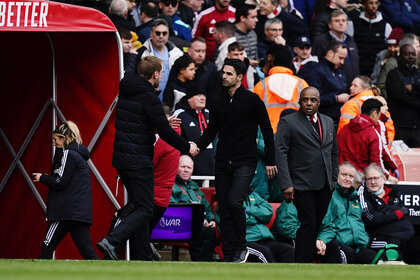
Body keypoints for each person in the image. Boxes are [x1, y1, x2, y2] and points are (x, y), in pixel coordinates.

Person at [96, 56, 198, 261]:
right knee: (145, 208)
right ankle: (112, 240)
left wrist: (161, 120)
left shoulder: (127, 90)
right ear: (155, 74)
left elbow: (141, 122)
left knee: (138, 205)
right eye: (160, 72)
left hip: (122, 159)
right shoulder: (149, 96)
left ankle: (142, 254)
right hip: (138, 159)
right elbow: (165, 132)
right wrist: (187, 146)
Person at [196, 59, 277, 262]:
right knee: (224, 207)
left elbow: (267, 130)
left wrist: (270, 159)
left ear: (240, 78)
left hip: (245, 162)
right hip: (223, 162)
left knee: (234, 202)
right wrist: (196, 146)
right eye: (223, 73)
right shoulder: (217, 99)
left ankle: (242, 247)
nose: (224, 76)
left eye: (229, 74)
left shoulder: (252, 100)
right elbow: (212, 129)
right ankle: (230, 252)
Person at [275, 86, 338, 263]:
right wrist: (286, 183)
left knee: (316, 224)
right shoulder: (288, 122)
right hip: (300, 183)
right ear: (299, 101)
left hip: (325, 183)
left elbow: (333, 152)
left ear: (319, 102)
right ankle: (301, 263)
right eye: (305, 99)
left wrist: (333, 179)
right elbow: (280, 153)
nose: (309, 103)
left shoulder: (328, 121)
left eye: (313, 100)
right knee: (308, 222)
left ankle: (305, 261)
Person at [33, 121, 99, 260]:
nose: (54, 143)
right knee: (87, 251)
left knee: (47, 245)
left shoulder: (68, 154)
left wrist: (43, 177)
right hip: (79, 212)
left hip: (65, 212)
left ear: (63, 138)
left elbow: (59, 181)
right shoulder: (79, 155)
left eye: (55, 139)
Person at [315, 162, 377, 264]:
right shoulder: (329, 195)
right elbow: (326, 224)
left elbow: (360, 221)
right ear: (336, 175)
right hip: (338, 244)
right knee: (347, 254)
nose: (347, 179)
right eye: (344, 175)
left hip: (359, 245)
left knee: (378, 259)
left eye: (351, 176)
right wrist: (324, 240)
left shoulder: (355, 197)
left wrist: (364, 238)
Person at [359, 163, 420, 264]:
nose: (372, 182)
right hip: (379, 239)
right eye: (369, 179)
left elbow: (404, 210)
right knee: (392, 248)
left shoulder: (393, 194)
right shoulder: (364, 195)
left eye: (376, 178)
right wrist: (396, 214)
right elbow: (372, 218)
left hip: (406, 237)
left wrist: (388, 214)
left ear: (383, 179)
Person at [338, 98, 398, 183]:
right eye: (379, 115)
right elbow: (376, 162)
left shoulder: (344, 129)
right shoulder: (372, 134)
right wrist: (387, 176)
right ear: (374, 114)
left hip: (342, 176)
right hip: (360, 179)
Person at [170, 155, 218, 261]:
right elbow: (172, 209)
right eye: (183, 167)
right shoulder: (171, 185)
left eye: (189, 168)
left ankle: (200, 262)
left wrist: (211, 220)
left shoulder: (194, 186)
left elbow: (207, 207)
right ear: (176, 167)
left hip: (200, 226)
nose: (186, 170)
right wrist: (196, 221)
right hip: (180, 225)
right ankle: (204, 263)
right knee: (209, 233)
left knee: (215, 230)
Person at [254, 45, 309, 133]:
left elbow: (254, 115)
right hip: (296, 134)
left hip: (269, 135)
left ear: (271, 58)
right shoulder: (301, 84)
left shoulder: (261, 85)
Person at [302, 41, 349, 126]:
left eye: (344, 59)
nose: (342, 62)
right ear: (330, 53)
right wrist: (336, 98)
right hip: (323, 120)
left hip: (338, 119)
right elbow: (313, 98)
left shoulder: (340, 72)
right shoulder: (316, 71)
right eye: (340, 58)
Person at [173, 83, 215, 175]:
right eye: (198, 95)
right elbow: (173, 138)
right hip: (189, 170)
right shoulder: (179, 115)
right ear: (189, 98)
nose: (203, 98)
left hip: (211, 168)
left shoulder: (210, 114)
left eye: (204, 95)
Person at [243, 191, 295, 263]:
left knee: (288, 249)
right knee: (264, 252)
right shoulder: (232, 199)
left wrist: (247, 210)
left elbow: (268, 212)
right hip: (246, 240)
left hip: (265, 239)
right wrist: (258, 217)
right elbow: (240, 219)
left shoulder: (254, 195)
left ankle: (290, 274)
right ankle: (274, 274)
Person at [312, 9, 360, 84]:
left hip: (352, 85)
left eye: (343, 21)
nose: (341, 23)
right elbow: (316, 64)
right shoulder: (321, 41)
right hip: (332, 86)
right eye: (337, 21)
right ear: (330, 25)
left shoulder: (350, 40)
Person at [386, 43, 420, 148]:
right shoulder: (393, 74)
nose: (410, 57)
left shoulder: (418, 74)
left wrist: (413, 88)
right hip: (400, 126)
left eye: (413, 54)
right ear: (400, 56)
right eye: (407, 54)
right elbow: (398, 95)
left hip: (417, 126)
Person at [138, 19, 184, 93]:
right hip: (148, 96)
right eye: (158, 33)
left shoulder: (177, 53)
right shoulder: (141, 53)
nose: (161, 36)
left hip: (169, 99)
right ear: (151, 33)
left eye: (164, 33)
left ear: (168, 34)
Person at [350, 0, 392, 77]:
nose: (374, 6)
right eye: (370, 3)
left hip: (377, 70)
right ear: (364, 5)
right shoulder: (353, 24)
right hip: (358, 69)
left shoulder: (386, 26)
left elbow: (389, 49)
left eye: (376, 3)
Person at [377, 33, 420, 99]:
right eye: (417, 46)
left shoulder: (415, 62)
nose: (419, 49)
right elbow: (381, 86)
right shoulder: (393, 63)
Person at [187, 37, 219, 107]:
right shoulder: (181, 66)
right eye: (197, 51)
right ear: (189, 51)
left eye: (203, 51)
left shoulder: (212, 69)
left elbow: (214, 94)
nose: (201, 55)